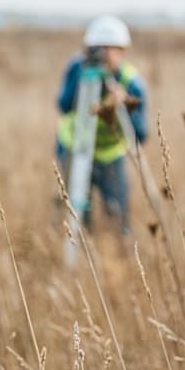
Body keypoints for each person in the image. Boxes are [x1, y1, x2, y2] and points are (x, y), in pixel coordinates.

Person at [55, 15, 147, 237]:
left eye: (110, 49)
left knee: (117, 214)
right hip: (75, 149)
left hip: (110, 156)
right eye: (98, 48)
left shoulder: (131, 82)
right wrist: (81, 82)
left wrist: (124, 104)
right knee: (76, 210)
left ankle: (120, 255)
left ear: (122, 51)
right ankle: (80, 251)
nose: (103, 55)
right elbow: (63, 105)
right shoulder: (77, 69)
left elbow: (141, 135)